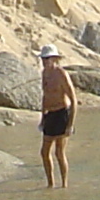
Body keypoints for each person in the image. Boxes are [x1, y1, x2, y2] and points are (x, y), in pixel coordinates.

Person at [38, 44, 75, 187]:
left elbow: (73, 100)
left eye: (47, 58)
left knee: (59, 152)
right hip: (50, 115)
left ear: (54, 59)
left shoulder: (61, 74)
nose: (45, 61)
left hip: (62, 113)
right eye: (43, 58)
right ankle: (50, 184)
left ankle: (64, 184)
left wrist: (70, 125)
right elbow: (45, 96)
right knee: (44, 152)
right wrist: (43, 118)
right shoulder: (44, 73)